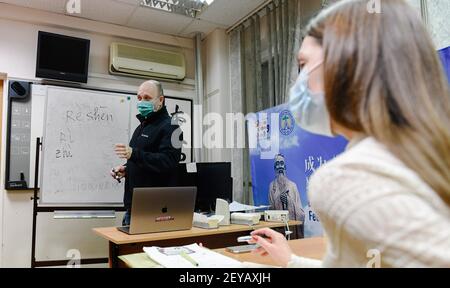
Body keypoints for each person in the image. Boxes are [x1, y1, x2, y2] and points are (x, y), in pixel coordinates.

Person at [249, 0, 450, 267]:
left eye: (304, 65)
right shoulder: (423, 152)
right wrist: (291, 260)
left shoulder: (347, 178)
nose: (298, 84)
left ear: (345, 68)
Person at [112, 80, 182, 226]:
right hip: (133, 207)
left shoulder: (173, 127)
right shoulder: (141, 127)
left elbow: (168, 161)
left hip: (153, 211)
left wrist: (134, 154)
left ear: (160, 100)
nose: (142, 101)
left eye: (147, 98)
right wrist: (127, 168)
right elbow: (141, 158)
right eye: (139, 98)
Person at [268, 154, 305, 237]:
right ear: (275, 168)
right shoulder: (271, 186)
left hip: (291, 227)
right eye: (277, 164)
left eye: (281, 163)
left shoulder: (293, 185)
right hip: (278, 227)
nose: (280, 166)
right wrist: (279, 200)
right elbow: (270, 210)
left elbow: (301, 214)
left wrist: (288, 201)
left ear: (285, 167)